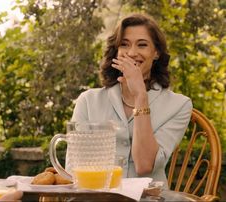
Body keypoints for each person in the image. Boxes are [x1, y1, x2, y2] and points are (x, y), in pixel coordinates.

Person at [69, 13, 192, 189]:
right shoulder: (88, 101)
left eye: (142, 45)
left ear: (156, 52)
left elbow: (144, 165)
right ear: (116, 52)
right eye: (124, 45)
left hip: (148, 199)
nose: (132, 53)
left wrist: (140, 96)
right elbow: (74, 167)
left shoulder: (179, 105)